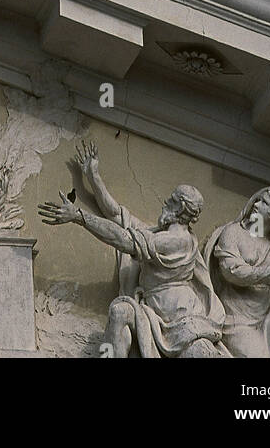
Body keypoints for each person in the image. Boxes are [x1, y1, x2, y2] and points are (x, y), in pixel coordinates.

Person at [40, 146, 227, 358]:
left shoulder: (175, 242)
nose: (166, 202)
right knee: (120, 311)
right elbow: (117, 215)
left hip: (177, 320)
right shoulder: (157, 233)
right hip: (153, 311)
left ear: (182, 209)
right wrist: (93, 176)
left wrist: (80, 217)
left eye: (173, 200)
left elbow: (124, 240)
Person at [204, 187, 270, 357]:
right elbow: (232, 271)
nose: (256, 204)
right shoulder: (234, 233)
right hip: (236, 317)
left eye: (264, 203)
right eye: (258, 199)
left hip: (266, 316)